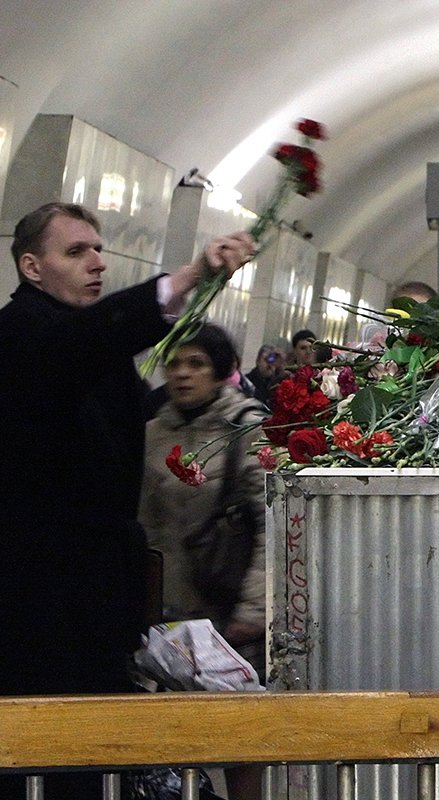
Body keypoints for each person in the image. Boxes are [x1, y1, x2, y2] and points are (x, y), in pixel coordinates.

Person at [0, 202, 254, 800]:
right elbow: (80, 345)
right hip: (36, 612)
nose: (97, 262)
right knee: (44, 766)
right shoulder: (19, 336)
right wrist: (187, 278)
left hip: (95, 608)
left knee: (86, 762)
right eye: (76, 252)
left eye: (98, 248)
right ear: (31, 268)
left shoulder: (94, 343)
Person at [139, 323, 266, 800]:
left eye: (196, 364)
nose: (183, 375)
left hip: (227, 608)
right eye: (174, 363)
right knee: (172, 737)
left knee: (240, 737)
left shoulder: (246, 428)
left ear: (221, 372)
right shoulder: (153, 430)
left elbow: (269, 519)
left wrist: (254, 613)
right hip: (169, 612)